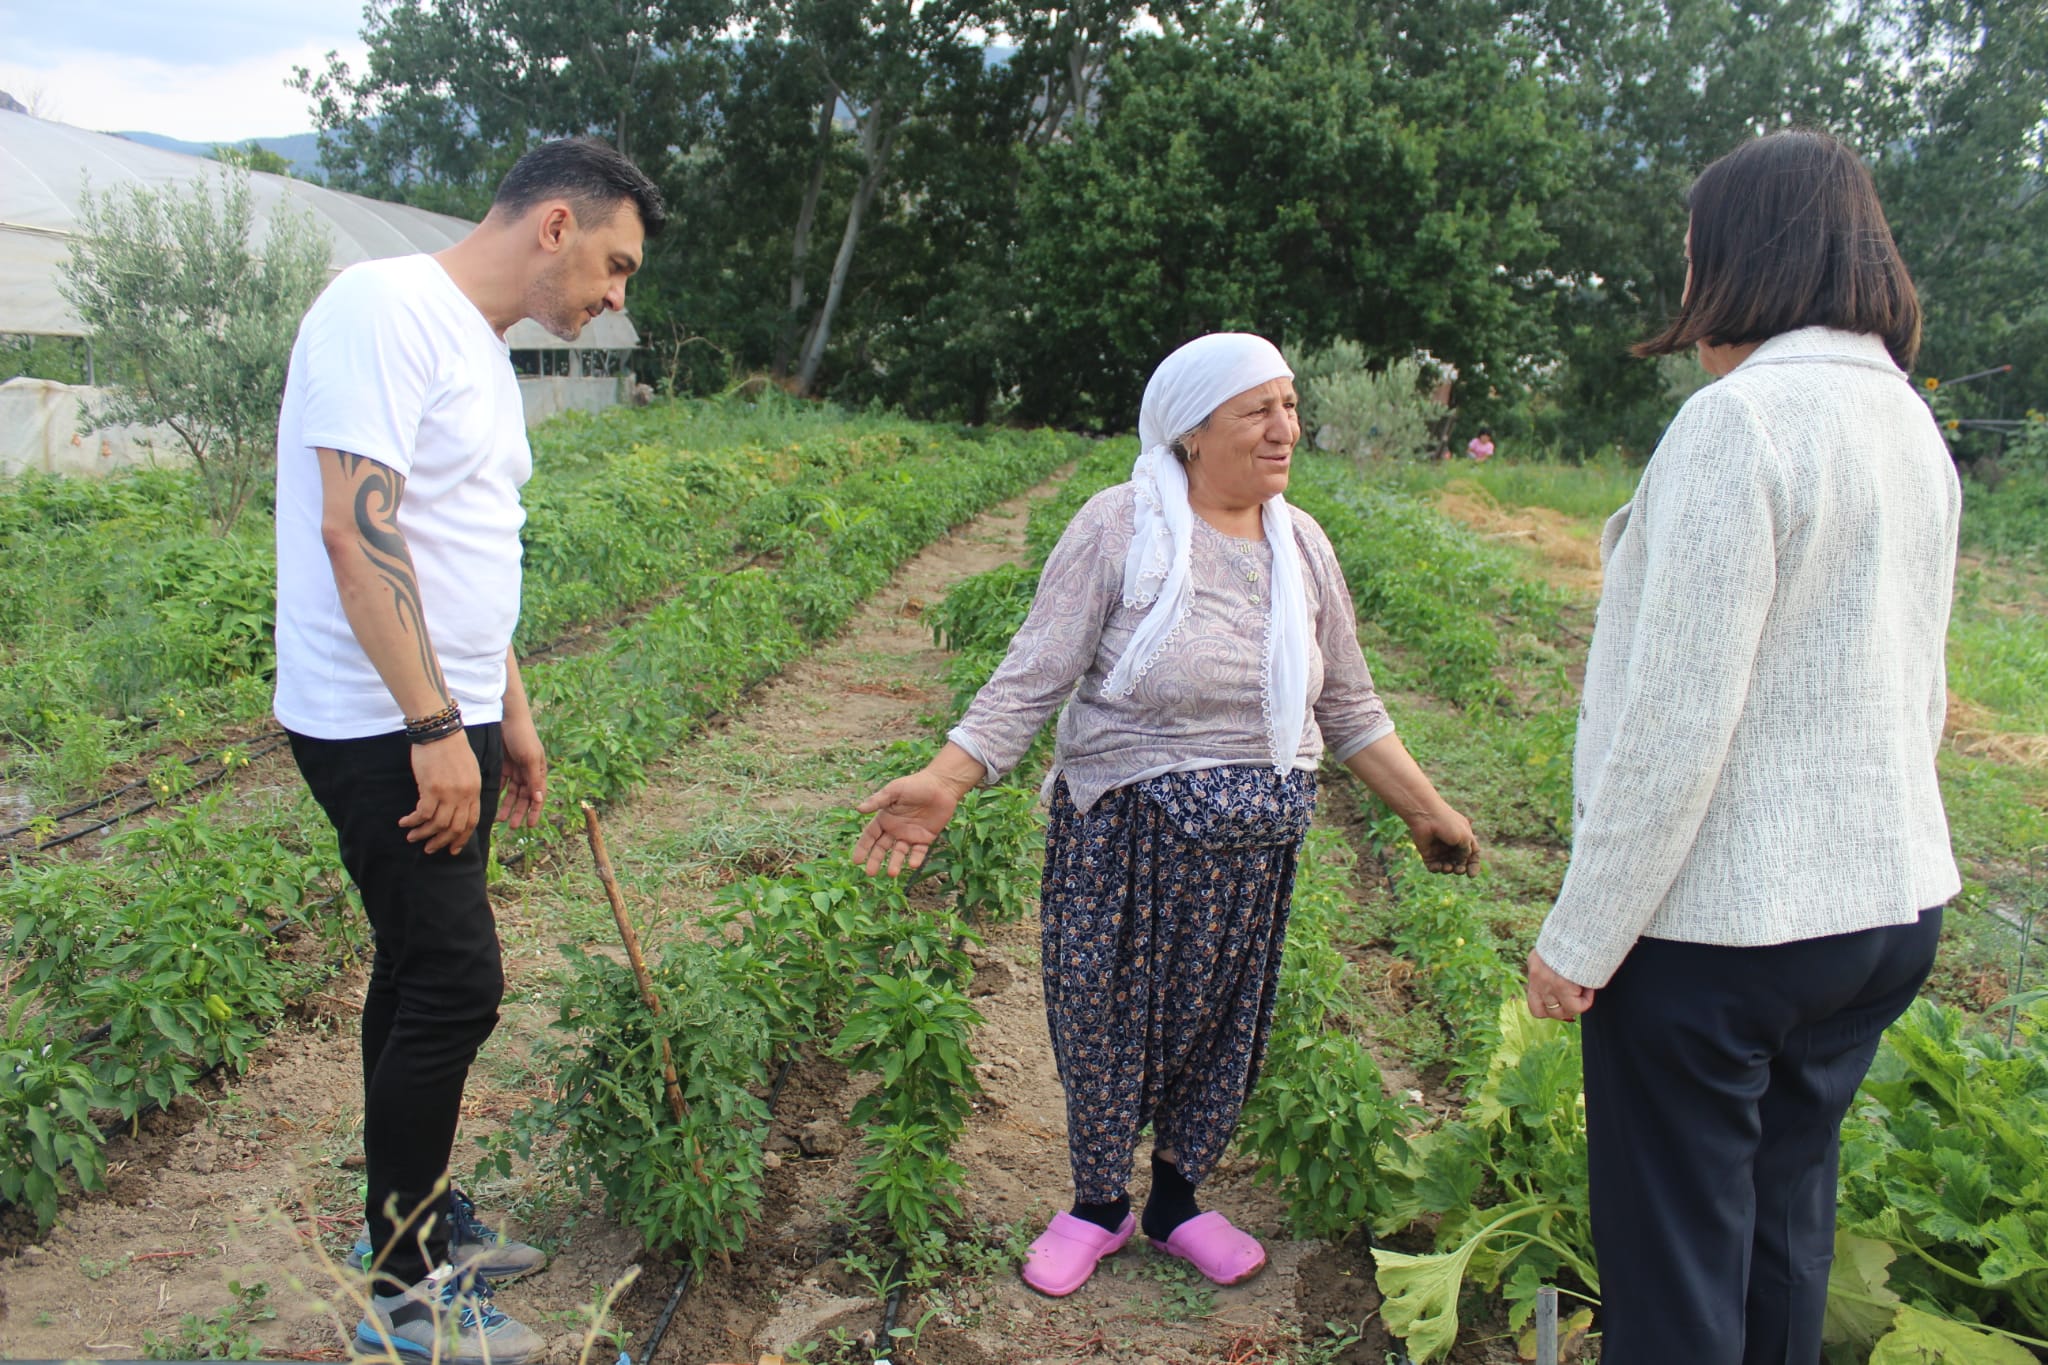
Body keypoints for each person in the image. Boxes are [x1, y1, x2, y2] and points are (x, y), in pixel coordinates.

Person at [854, 333, 1480, 1298]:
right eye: (1257, 410)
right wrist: (948, 776)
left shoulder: (1302, 544)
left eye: (1291, 405)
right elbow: (1034, 674)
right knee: (1103, 1020)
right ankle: (1097, 1207)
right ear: (1193, 432)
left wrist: (1427, 813)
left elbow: (1348, 706)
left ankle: (1179, 1201)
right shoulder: (1121, 528)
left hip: (1253, 851)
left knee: (1222, 1029)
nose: (1285, 429)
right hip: (1126, 840)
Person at [1523, 129, 1959, 1364]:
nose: (1683, 280)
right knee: (1776, 1236)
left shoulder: (1738, 425)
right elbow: (1916, 680)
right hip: (1879, 906)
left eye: (1690, 253)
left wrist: (1581, 934)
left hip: (1724, 930)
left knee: (1672, 1272)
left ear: (1736, 255)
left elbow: (1675, 725)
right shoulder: (1904, 423)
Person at [273, 136, 665, 1364]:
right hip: (378, 719)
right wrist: (435, 728)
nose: (615, 298)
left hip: (446, 710)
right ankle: (402, 1294)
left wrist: (511, 713)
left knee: (415, 964)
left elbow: (459, 545)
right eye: (615, 265)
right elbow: (357, 530)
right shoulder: (383, 307)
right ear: (555, 223)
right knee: (456, 982)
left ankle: (417, 1224)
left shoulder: (479, 354)